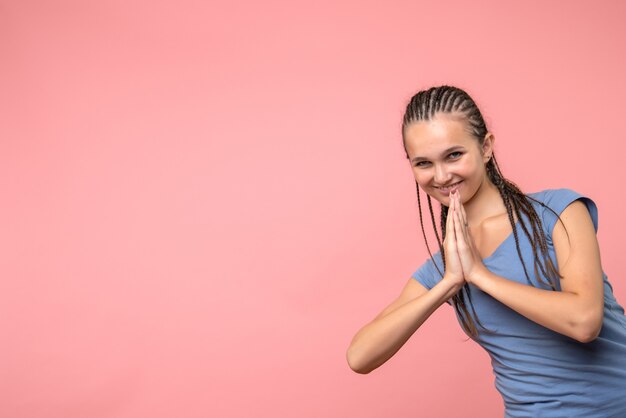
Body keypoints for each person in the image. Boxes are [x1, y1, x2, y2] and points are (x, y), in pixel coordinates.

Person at [346, 85, 626, 417]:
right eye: (423, 162)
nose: (441, 175)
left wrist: (479, 275)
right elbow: (359, 356)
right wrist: (449, 283)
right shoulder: (446, 267)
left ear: (487, 147)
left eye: (454, 155)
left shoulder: (558, 212)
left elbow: (584, 322)